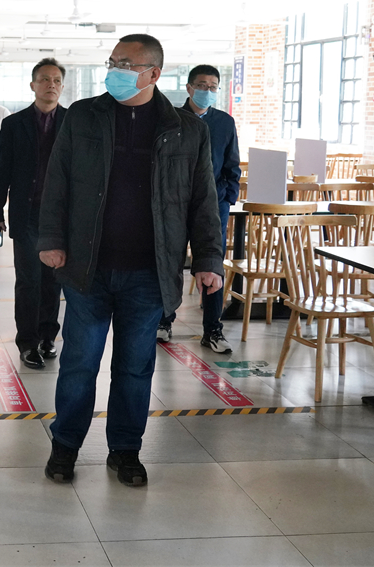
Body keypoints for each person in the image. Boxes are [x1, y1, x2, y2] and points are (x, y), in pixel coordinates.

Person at [37, 34, 223, 488]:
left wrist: (209, 258)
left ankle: (125, 450)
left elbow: (203, 200)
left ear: (153, 73)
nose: (115, 70)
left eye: (126, 64)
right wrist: (51, 238)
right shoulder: (84, 116)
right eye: (112, 62)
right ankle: (65, 445)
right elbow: (57, 180)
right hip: (88, 267)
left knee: (135, 367)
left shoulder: (187, 130)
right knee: (79, 363)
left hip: (149, 271)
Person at [0, 58, 67, 370]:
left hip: (60, 216)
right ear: (33, 85)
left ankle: (48, 336)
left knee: (53, 279)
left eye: (56, 80)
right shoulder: (14, 124)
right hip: (27, 213)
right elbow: (2, 172)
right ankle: (28, 342)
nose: (51, 85)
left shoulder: (72, 122)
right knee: (29, 280)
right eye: (45, 79)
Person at [156, 65, 241, 354]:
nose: (208, 91)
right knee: (171, 260)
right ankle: (164, 320)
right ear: (190, 88)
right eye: (202, 85)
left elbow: (232, 165)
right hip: (176, 204)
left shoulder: (224, 123)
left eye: (213, 87)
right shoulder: (171, 119)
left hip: (214, 206)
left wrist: (226, 198)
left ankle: (213, 329)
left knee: (212, 265)